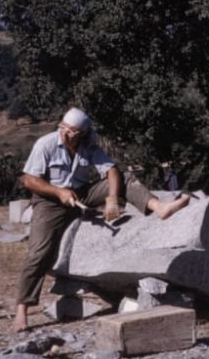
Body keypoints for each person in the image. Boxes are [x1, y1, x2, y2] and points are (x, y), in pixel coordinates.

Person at [14, 107, 190, 332]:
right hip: (50, 200)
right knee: (38, 252)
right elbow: (29, 180)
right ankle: (22, 310)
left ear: (82, 133)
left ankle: (159, 207)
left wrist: (112, 199)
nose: (66, 134)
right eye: (64, 128)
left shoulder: (88, 145)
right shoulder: (46, 144)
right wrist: (58, 192)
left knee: (124, 178)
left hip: (80, 193)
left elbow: (112, 171)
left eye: (72, 131)